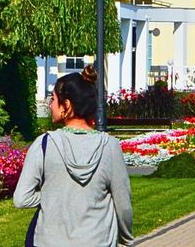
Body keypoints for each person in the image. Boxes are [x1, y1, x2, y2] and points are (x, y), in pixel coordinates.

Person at [14, 65, 133, 246]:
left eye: (53, 99)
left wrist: (52, 195)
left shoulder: (45, 144)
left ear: (66, 105)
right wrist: (126, 238)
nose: (49, 104)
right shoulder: (110, 146)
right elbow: (123, 204)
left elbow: (21, 198)